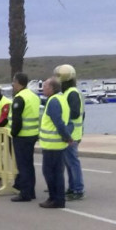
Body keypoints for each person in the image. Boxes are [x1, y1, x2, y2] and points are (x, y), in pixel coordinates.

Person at [39, 77, 73, 209]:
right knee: (58, 172)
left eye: (45, 86)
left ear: (52, 88)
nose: (43, 88)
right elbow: (68, 121)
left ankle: (55, 198)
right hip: (58, 144)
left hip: (52, 144)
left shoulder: (53, 101)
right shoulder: (62, 99)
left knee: (49, 172)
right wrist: (67, 137)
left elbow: (58, 122)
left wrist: (67, 137)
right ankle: (58, 198)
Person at [54, 64, 85, 201]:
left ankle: (78, 189)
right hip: (70, 133)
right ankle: (72, 188)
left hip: (72, 134)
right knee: (69, 163)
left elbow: (74, 113)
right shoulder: (68, 93)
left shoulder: (72, 93)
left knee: (73, 163)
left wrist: (61, 114)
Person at [8, 72, 41, 202]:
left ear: (18, 83)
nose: (12, 84)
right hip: (32, 134)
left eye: (13, 82)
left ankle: (25, 193)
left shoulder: (20, 98)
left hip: (22, 136)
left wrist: (13, 133)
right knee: (29, 164)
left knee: (23, 166)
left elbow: (17, 120)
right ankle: (30, 191)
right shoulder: (33, 96)